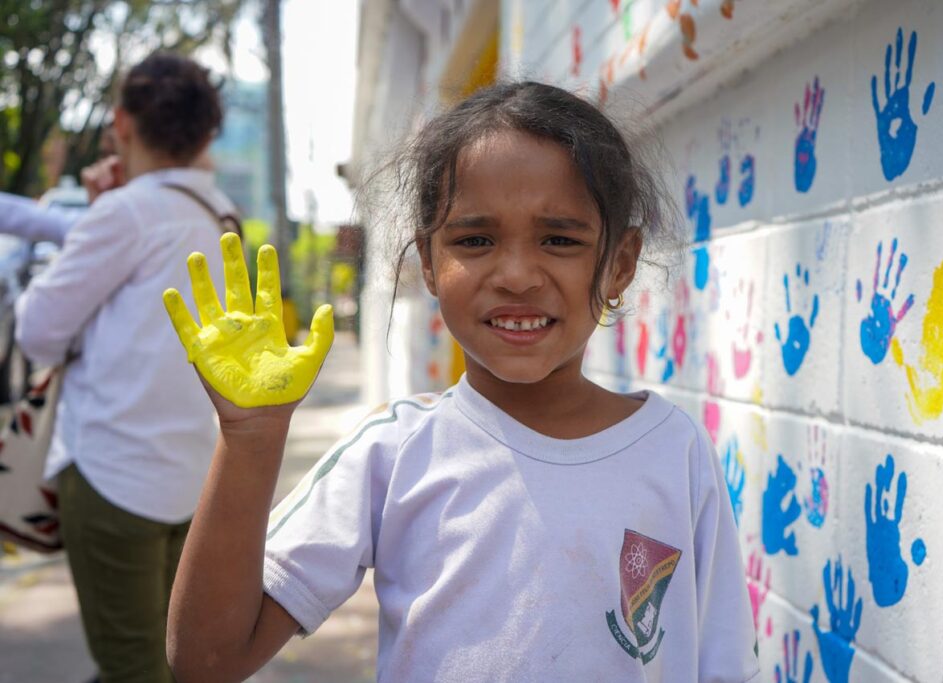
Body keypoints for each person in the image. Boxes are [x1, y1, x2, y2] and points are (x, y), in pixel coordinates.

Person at [165, 82, 758, 682]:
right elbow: (207, 659)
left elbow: (725, 663)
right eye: (475, 240)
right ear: (428, 261)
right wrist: (252, 438)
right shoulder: (392, 455)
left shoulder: (674, 451)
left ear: (620, 264)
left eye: (560, 239)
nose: (518, 275)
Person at [15, 52, 236, 683]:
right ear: (205, 134)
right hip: (192, 476)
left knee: (133, 667)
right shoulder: (222, 217)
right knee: (165, 662)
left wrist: (101, 212)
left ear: (121, 124)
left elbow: (38, 329)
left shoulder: (124, 212)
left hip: (113, 473)